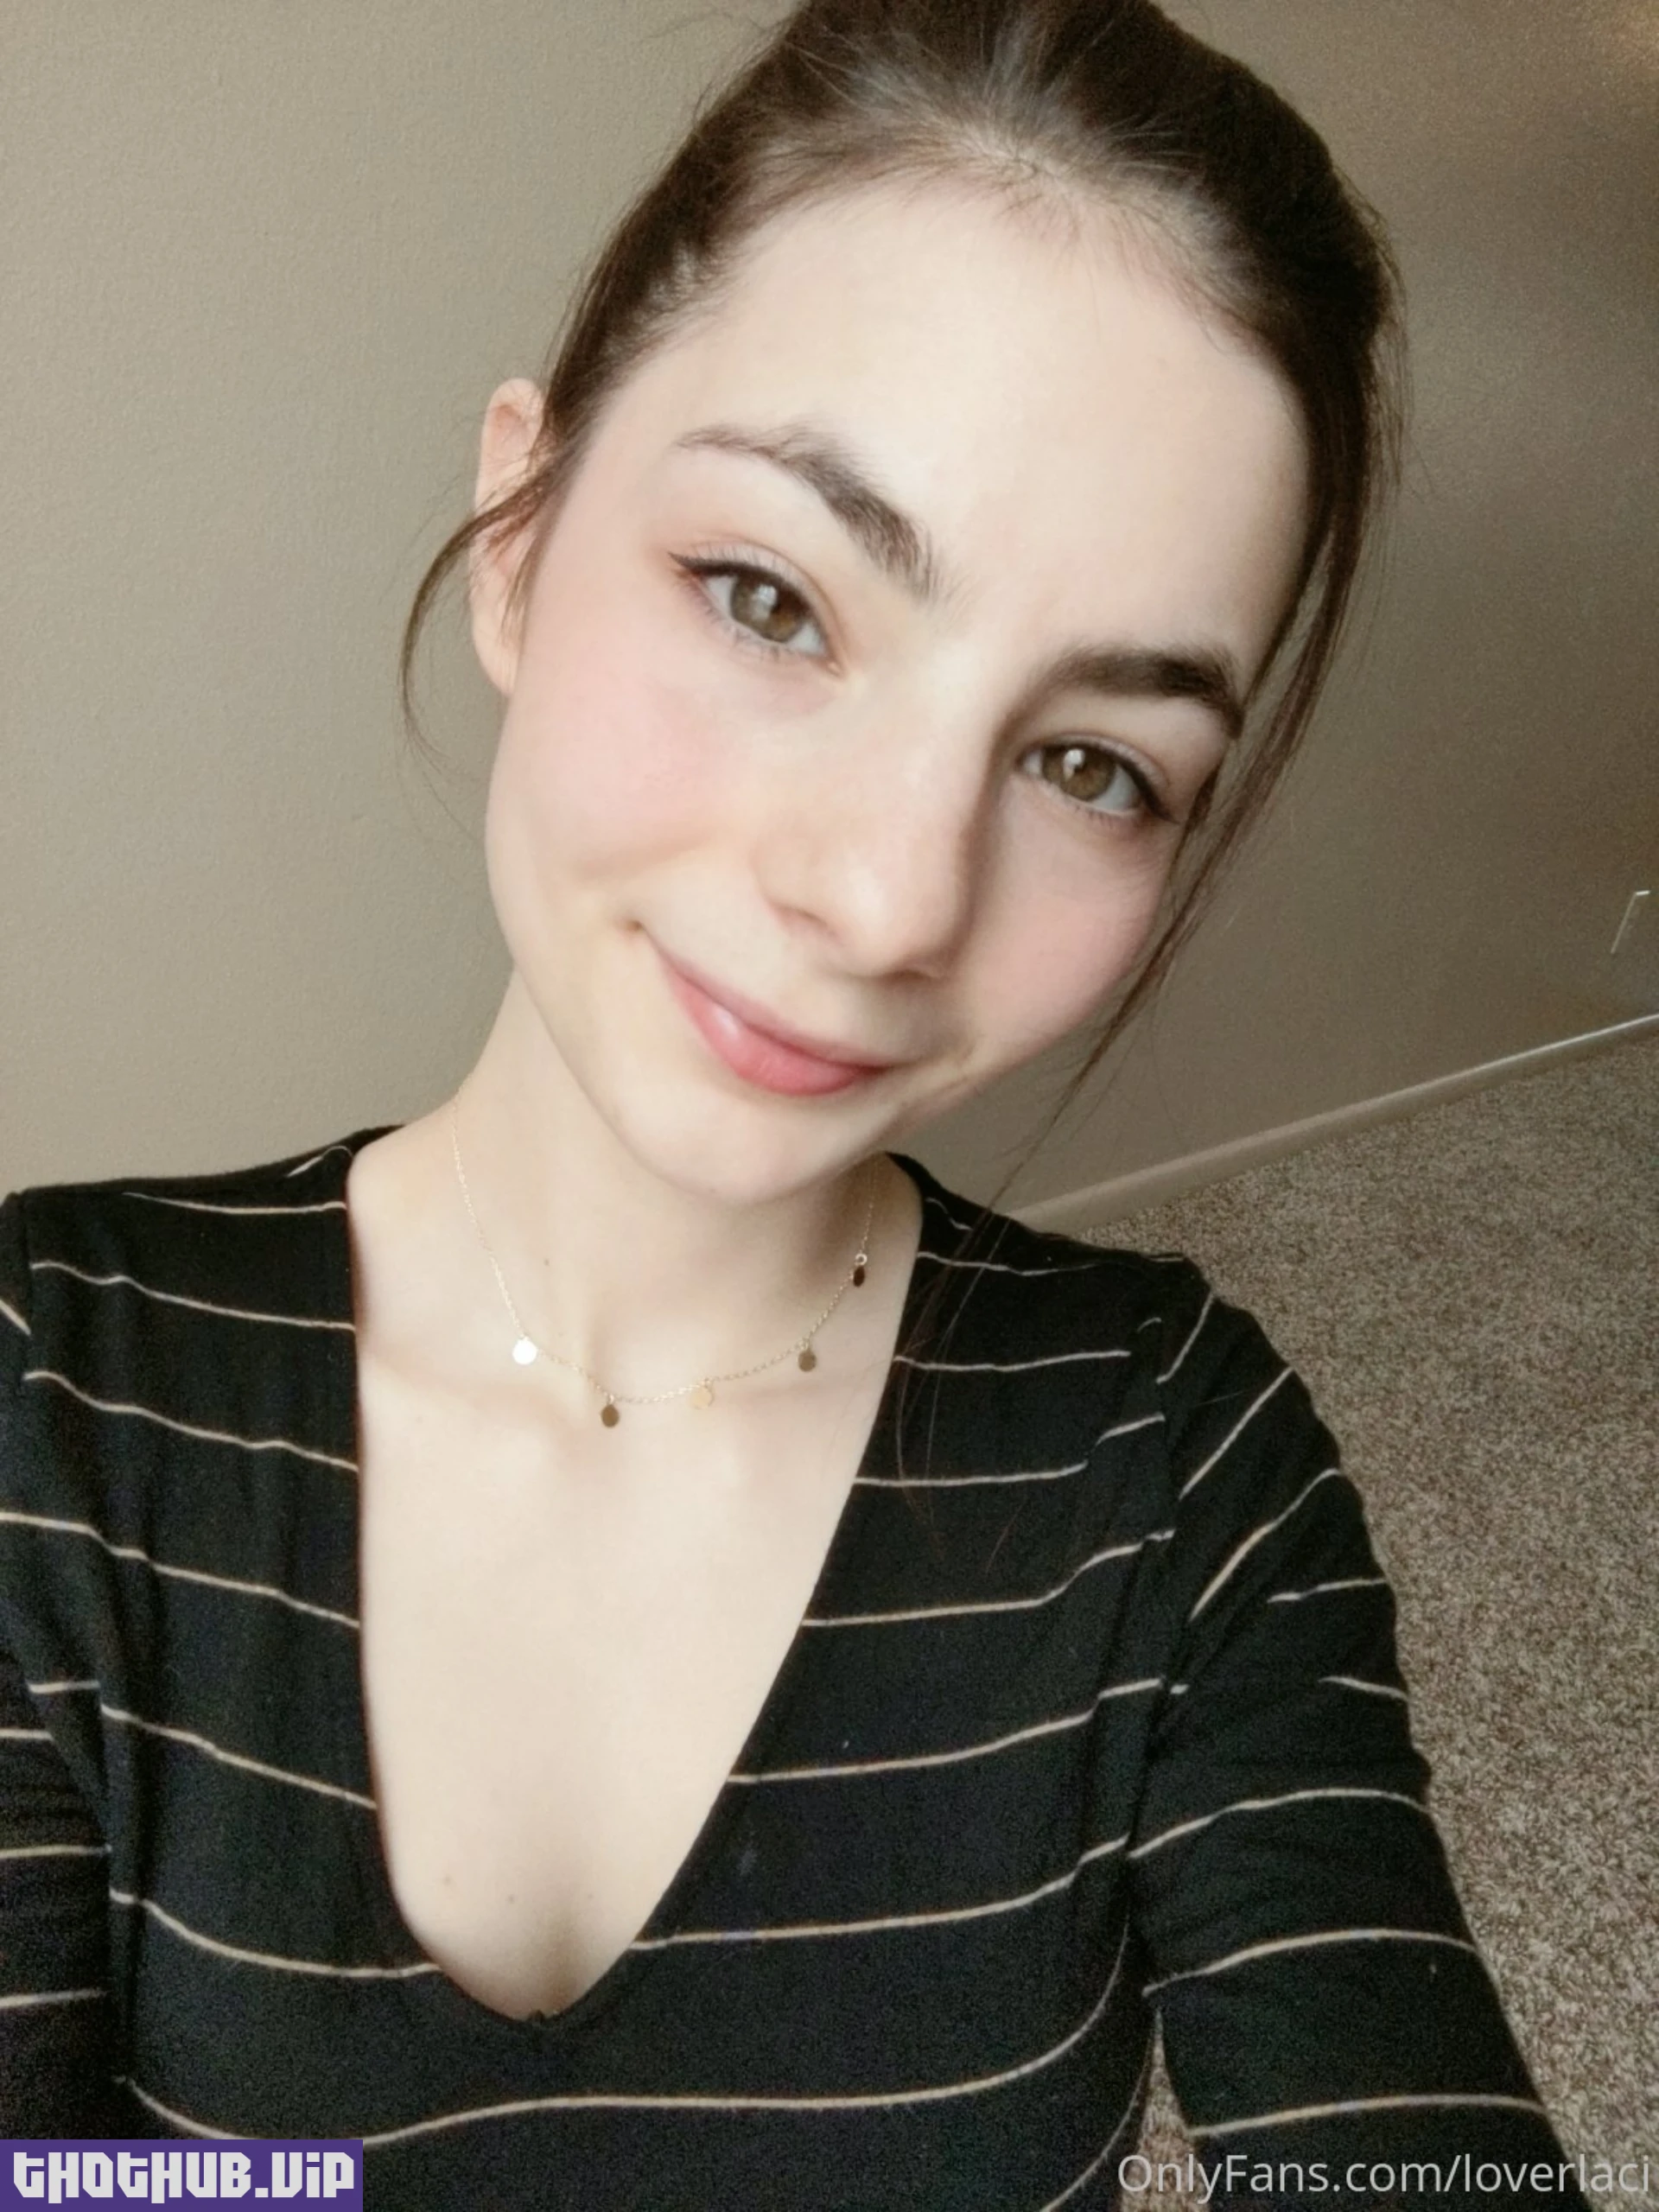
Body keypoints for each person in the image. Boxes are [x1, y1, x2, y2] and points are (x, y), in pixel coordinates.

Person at [0, 1, 1591, 2203]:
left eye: (1092, 763)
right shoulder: (47, 1391)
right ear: (521, 526)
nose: (887, 895)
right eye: (772, 598)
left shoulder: (1171, 1467)